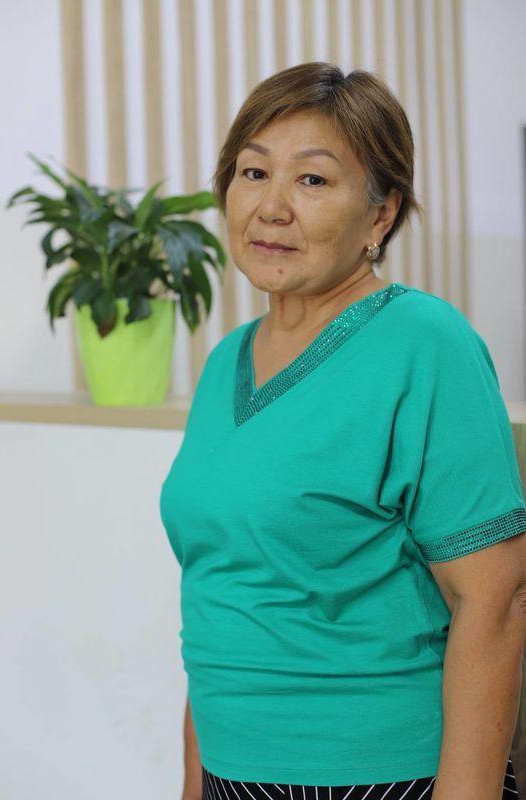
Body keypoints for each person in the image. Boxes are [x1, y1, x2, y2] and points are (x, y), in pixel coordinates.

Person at [159, 62, 526, 800]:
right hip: (232, 766)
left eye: (313, 179)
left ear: (380, 215)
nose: (271, 207)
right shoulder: (227, 359)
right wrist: (196, 782)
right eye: (253, 172)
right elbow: (224, 591)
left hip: (378, 774)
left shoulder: (425, 343)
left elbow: (495, 601)